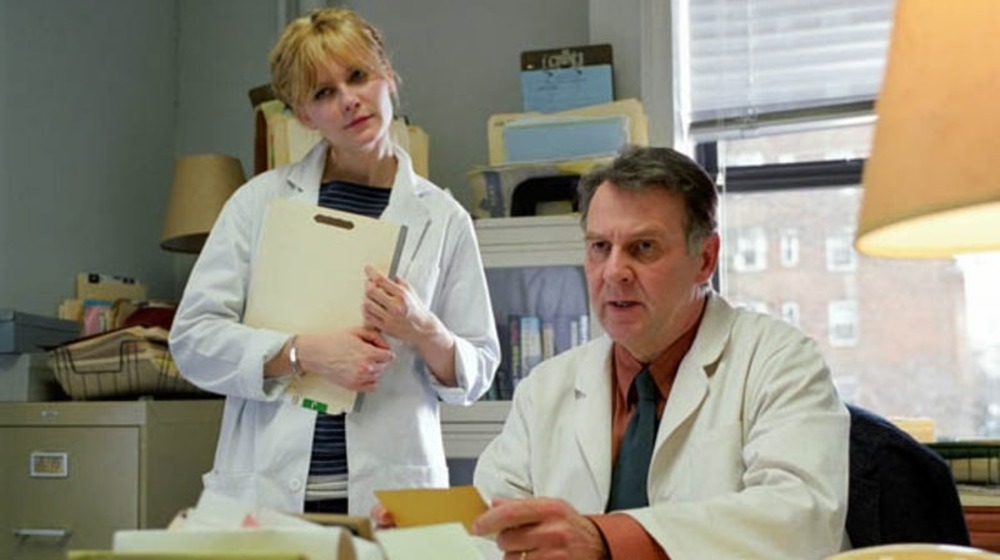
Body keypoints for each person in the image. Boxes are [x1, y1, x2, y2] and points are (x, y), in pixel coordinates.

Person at [168, 7, 499, 518]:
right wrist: (303, 353)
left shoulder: (443, 218)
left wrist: (423, 328)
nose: (349, 100)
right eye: (323, 93)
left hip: (392, 495)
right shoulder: (260, 204)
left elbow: (478, 369)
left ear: (387, 77)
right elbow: (192, 341)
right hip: (269, 491)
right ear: (303, 116)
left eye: (358, 76)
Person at [469, 146, 849, 559]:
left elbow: (801, 520)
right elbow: (486, 526)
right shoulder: (545, 388)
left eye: (643, 247)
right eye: (599, 246)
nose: (614, 272)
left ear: (705, 259)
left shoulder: (780, 362)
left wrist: (606, 542)